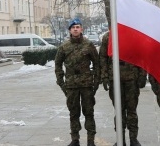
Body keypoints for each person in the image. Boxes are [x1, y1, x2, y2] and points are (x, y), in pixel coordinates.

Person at [55, 18, 100, 146]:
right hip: (71, 85)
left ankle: (91, 140)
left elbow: (97, 64)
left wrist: (96, 82)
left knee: (89, 112)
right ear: (69, 30)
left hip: (86, 85)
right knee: (73, 113)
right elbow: (57, 65)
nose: (75, 29)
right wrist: (61, 82)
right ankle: (75, 139)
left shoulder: (88, 45)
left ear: (81, 29)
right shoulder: (64, 46)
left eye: (78, 27)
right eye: (73, 27)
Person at [99, 31, 147, 146]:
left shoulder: (134, 35)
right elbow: (102, 57)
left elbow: (141, 56)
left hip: (132, 79)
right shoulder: (108, 36)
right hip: (115, 80)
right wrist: (104, 76)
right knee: (119, 111)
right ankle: (121, 139)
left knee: (132, 110)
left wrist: (142, 75)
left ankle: (133, 138)